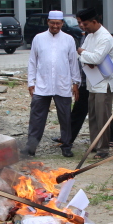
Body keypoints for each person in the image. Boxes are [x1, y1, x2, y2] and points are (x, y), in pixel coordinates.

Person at [24, 11, 79, 158]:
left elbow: (73, 62)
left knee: (65, 117)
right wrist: (31, 82)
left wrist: (75, 82)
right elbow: (32, 61)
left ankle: (66, 145)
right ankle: (31, 147)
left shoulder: (69, 39)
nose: (55, 26)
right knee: (36, 117)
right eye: (52, 23)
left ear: (62, 23)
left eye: (58, 23)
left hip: (63, 84)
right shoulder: (39, 38)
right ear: (48, 22)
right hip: (42, 84)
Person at [77, 8, 113, 160]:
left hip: (104, 83)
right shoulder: (90, 36)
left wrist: (84, 54)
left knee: (102, 116)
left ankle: (104, 148)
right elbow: (85, 55)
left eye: (85, 23)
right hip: (92, 80)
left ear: (94, 21)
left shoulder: (105, 37)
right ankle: (95, 143)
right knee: (93, 115)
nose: (83, 26)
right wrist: (86, 56)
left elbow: (95, 59)